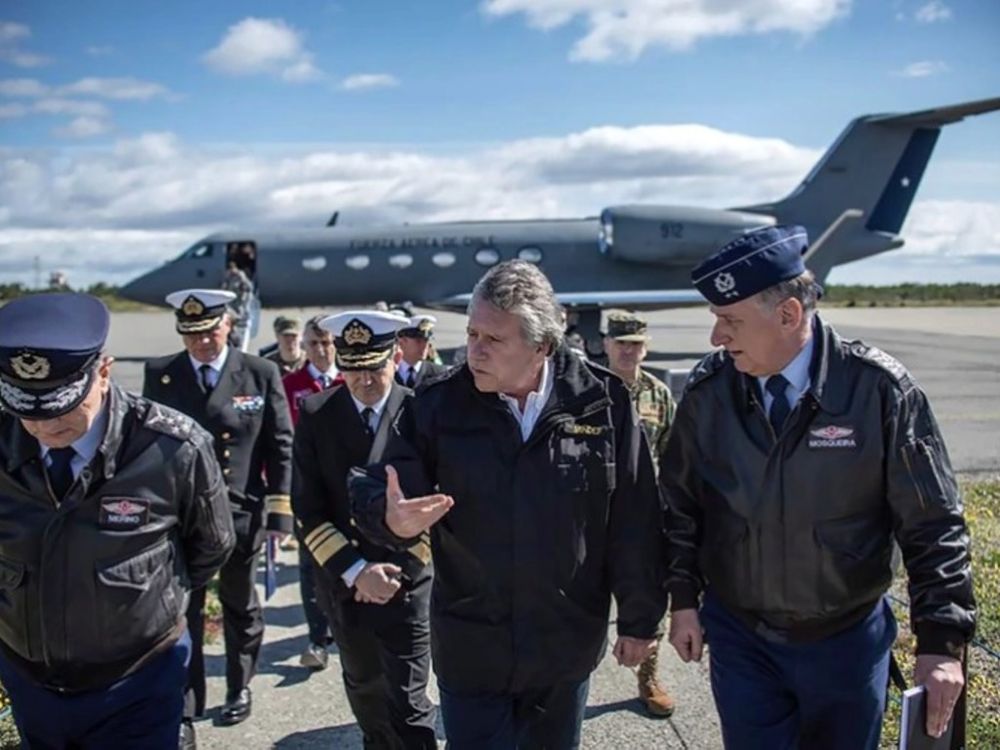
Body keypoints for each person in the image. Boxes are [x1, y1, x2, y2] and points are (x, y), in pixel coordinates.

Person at [661, 225, 975, 749]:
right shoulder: (709, 393)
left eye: (730, 321)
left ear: (788, 315)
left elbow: (934, 521)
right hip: (742, 638)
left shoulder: (879, 391)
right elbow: (680, 505)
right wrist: (683, 598)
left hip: (845, 641)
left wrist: (941, 643)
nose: (717, 337)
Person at [350, 260, 666, 749]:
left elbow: (635, 518)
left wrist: (640, 619)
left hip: (563, 646)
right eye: (472, 333)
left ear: (542, 346)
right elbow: (377, 484)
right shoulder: (437, 404)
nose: (473, 350)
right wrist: (390, 516)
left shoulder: (602, 402)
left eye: (493, 339)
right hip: (472, 645)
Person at [0, 293, 235, 750]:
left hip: (139, 681)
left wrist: (140, 596)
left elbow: (211, 545)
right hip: (31, 684)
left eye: (63, 408)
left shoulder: (172, 448)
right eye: (29, 412)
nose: (45, 428)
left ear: (104, 372)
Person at [143, 289, 294, 736]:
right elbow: (149, 449)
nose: (202, 342)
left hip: (239, 510)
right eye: (192, 335)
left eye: (210, 331)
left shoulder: (259, 372)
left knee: (239, 603)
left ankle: (239, 686)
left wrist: (280, 512)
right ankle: (186, 705)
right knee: (182, 611)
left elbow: (280, 446)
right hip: (181, 515)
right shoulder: (162, 374)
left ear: (228, 325)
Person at [292, 310, 437, 748]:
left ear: (396, 357)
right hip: (346, 582)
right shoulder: (317, 413)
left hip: (407, 579)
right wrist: (358, 572)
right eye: (353, 369)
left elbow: (442, 497)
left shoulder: (421, 411)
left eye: (374, 367)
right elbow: (308, 510)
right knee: (366, 690)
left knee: (410, 700)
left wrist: (400, 570)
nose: (364, 380)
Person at [602, 310, 677, 717]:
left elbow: (674, 455)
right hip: (596, 511)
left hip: (644, 514)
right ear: (606, 345)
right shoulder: (590, 389)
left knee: (648, 593)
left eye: (636, 344)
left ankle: (648, 677)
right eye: (621, 344)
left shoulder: (658, 395)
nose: (628, 351)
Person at [281, 314, 342, 671]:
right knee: (310, 564)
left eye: (326, 343)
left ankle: (345, 630)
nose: (320, 350)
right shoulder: (290, 385)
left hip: (346, 489)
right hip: (306, 487)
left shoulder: (352, 379)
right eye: (314, 343)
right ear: (303, 346)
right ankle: (317, 639)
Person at [394, 314, 448, 389]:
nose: (425, 345)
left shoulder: (438, 373)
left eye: (426, 340)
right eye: (418, 341)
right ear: (402, 342)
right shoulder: (389, 371)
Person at [221, 262, 254, 351]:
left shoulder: (240, 275)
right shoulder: (228, 276)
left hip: (240, 299)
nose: (231, 271)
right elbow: (224, 286)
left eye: (232, 269)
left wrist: (244, 297)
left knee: (240, 314)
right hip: (231, 300)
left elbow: (248, 287)